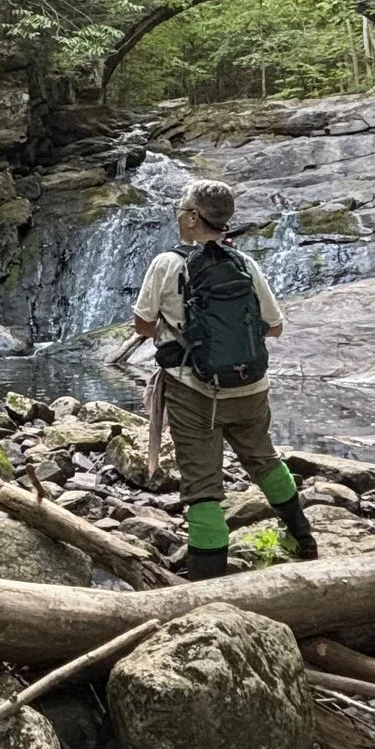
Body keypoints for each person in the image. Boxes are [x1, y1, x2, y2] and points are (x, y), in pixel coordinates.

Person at [129, 178, 317, 578]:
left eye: (181, 210)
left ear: (194, 218)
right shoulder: (244, 263)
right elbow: (275, 327)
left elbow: (143, 326)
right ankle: (303, 537)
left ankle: (208, 584)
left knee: (202, 486)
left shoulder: (167, 264)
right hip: (251, 388)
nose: (178, 216)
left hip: (194, 390)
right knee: (264, 460)